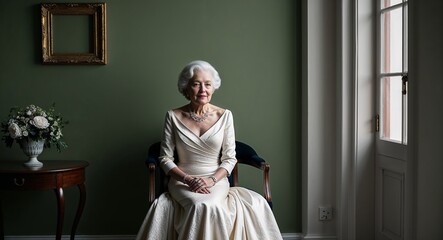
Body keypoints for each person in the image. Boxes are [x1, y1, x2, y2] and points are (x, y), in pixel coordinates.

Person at [136, 60, 282, 240]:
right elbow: (165, 159)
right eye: (196, 84)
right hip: (182, 180)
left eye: (207, 84)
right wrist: (188, 179)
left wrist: (211, 180)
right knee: (199, 205)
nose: (202, 89)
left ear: (213, 88)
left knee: (210, 204)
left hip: (216, 180)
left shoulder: (225, 115)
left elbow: (230, 158)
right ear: (186, 88)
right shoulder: (173, 116)